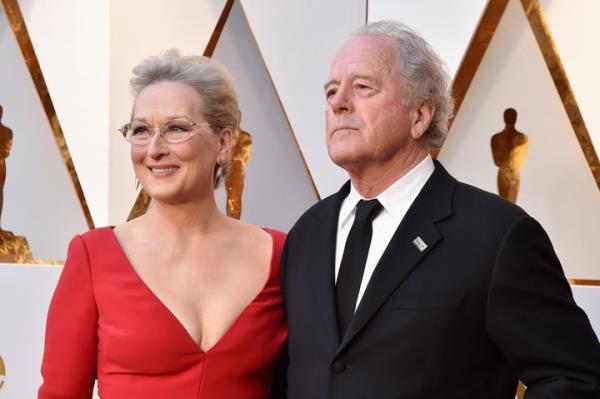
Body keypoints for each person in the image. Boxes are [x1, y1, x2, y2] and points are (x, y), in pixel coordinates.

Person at [279, 21, 600, 398]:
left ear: (420, 115)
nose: (337, 102)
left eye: (362, 87)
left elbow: (578, 382)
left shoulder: (497, 237)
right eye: (331, 91)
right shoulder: (306, 234)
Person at [39, 50, 287, 399]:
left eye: (176, 128)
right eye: (140, 130)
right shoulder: (94, 256)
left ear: (223, 142)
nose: (154, 149)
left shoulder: (281, 256)